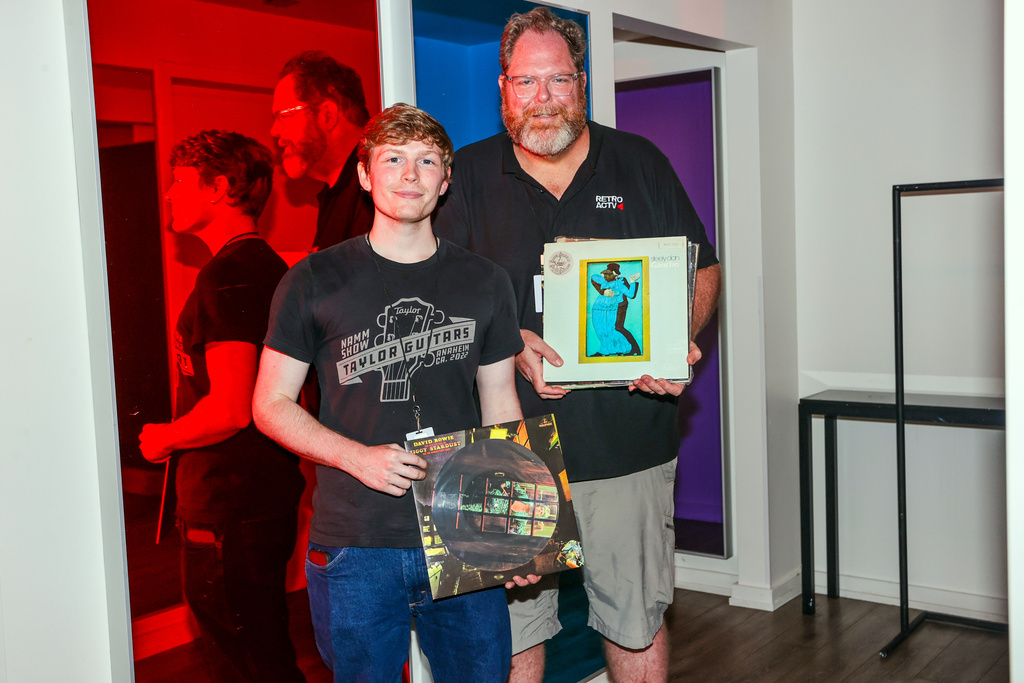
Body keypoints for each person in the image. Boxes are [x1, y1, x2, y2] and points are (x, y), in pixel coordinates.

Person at [433, 7, 723, 683]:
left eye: (558, 80)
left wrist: (674, 336)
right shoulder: (463, 178)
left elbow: (703, 269)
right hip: (503, 451)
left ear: (581, 82)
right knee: (510, 640)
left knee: (636, 621)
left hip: (628, 445)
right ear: (503, 88)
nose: (542, 98)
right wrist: (507, 344)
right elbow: (435, 305)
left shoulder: (640, 161)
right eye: (526, 81)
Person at [252, 103, 526, 682]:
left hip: (463, 531)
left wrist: (516, 531)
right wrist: (356, 458)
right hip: (355, 543)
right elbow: (270, 405)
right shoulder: (311, 280)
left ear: (445, 180)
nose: (409, 174)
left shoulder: (486, 281)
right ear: (364, 174)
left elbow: (501, 404)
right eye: (393, 159)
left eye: (426, 161)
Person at [139, 130, 306, 682]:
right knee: (262, 649)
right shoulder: (268, 267)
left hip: (230, 503)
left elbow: (233, 406)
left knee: (247, 660)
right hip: (261, 495)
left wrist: (163, 439)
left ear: (218, 188)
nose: (168, 193)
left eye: (179, 182)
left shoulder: (228, 275)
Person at [272, 50, 374, 251]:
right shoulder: (335, 193)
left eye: (283, 116)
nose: (274, 131)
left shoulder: (377, 186)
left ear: (328, 115)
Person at [590, 263, 641, 357]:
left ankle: (626, 349)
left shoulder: (620, 282)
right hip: (600, 308)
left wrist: (632, 281)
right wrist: (603, 290)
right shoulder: (603, 281)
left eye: (617, 273)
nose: (616, 275)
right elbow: (594, 277)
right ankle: (608, 349)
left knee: (614, 329)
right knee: (601, 329)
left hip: (613, 309)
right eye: (614, 273)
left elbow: (630, 294)